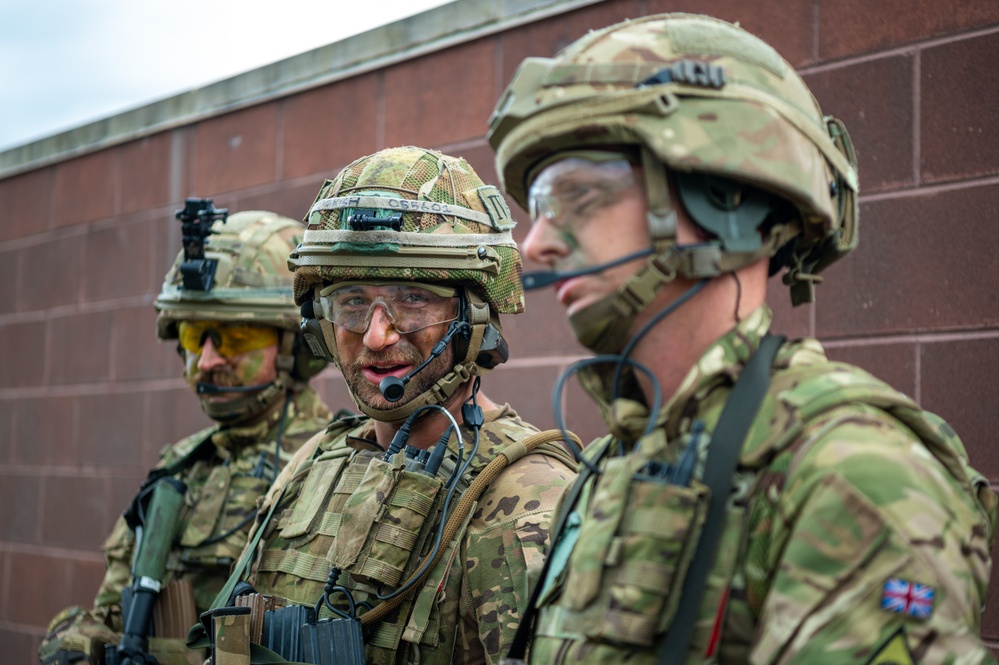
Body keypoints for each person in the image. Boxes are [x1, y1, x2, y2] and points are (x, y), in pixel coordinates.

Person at [487, 13, 997, 665]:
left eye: (578, 195)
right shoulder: (611, 463)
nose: (535, 242)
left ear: (721, 197)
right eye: (537, 204)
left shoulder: (847, 470)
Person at [193, 146, 577, 665]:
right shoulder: (313, 462)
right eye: (352, 302)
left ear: (475, 315)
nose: (376, 336)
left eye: (412, 299)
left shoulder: (530, 499)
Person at [39, 205, 333, 665]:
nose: (208, 361)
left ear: (297, 348)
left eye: (234, 339)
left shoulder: (337, 464)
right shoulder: (182, 465)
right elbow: (112, 608)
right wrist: (82, 645)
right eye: (197, 338)